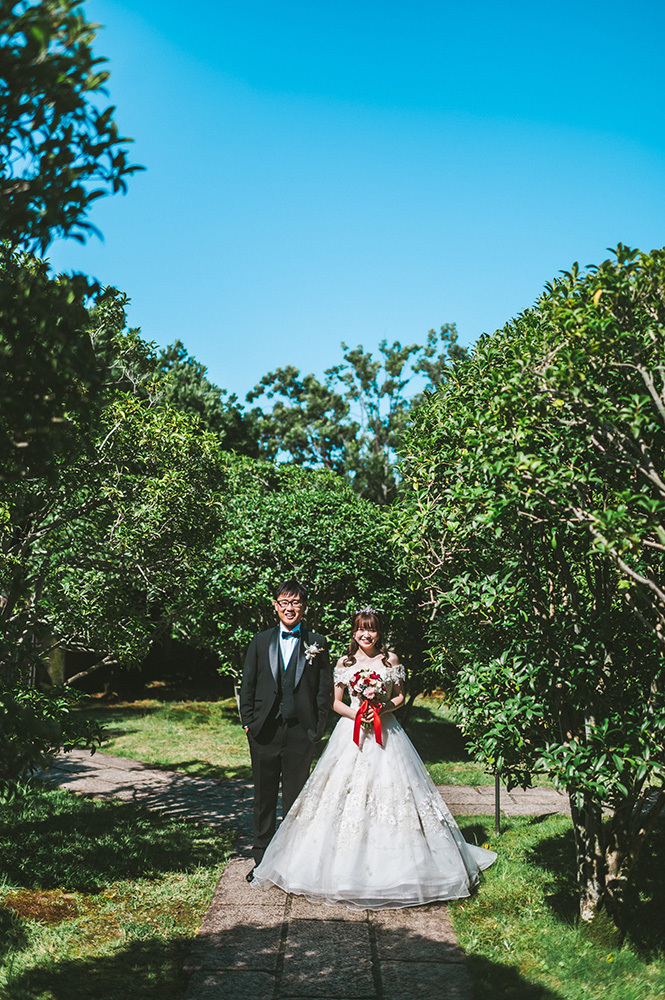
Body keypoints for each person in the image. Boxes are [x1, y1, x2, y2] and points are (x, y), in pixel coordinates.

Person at [251, 607, 497, 909]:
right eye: (360, 629)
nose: (365, 634)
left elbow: (399, 696)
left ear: (380, 632)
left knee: (393, 793)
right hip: (351, 734)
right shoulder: (345, 661)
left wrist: (380, 708)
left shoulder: (389, 660)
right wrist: (358, 713)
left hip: (385, 734)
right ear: (354, 631)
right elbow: (335, 702)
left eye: (371, 629)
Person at [239, 578, 331, 881]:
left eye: (295, 603)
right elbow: (248, 684)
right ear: (275, 605)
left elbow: (323, 690)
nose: (289, 608)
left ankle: (292, 863)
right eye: (284, 602)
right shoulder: (260, 640)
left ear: (303, 607)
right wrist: (249, 721)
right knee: (263, 798)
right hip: (264, 731)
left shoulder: (317, 643)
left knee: (295, 800)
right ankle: (262, 861)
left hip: (300, 733)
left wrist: (316, 729)